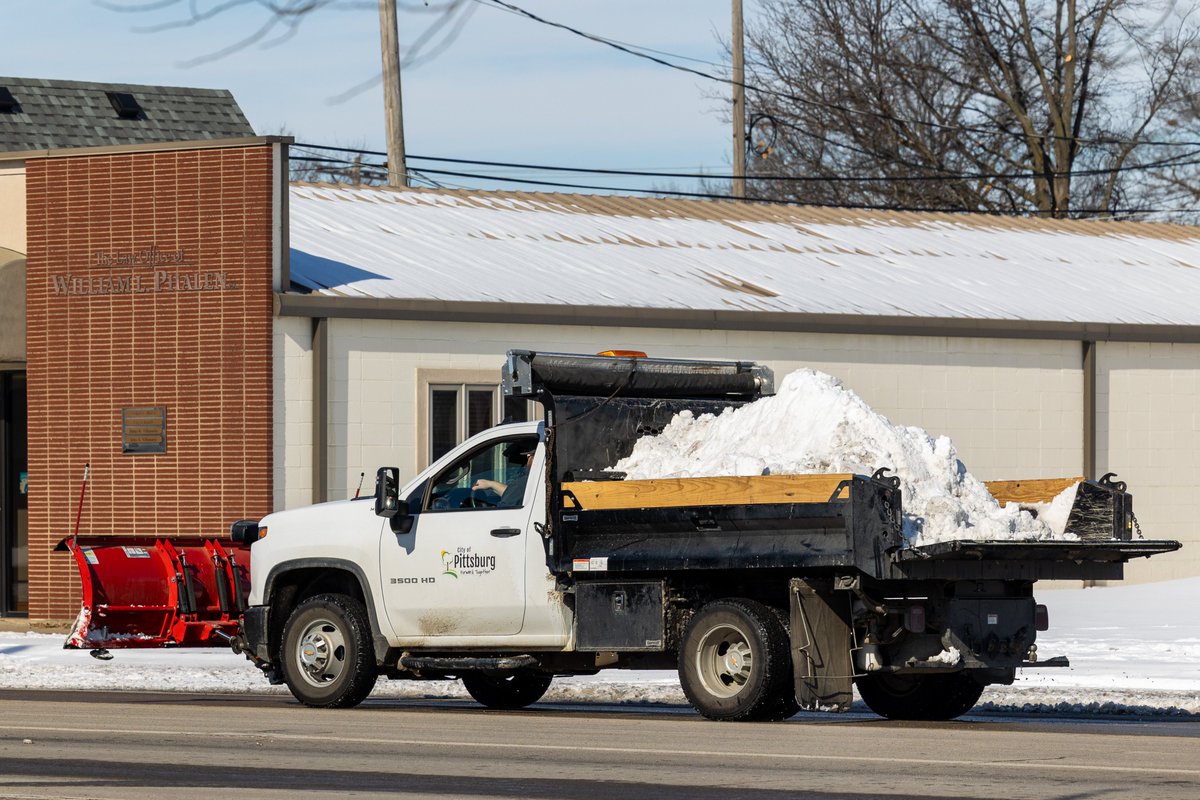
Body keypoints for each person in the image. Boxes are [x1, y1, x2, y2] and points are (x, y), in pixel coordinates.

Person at [472, 440, 535, 507]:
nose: (524, 464)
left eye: (528, 456)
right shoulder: (531, 482)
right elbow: (514, 493)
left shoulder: (524, 482)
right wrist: (491, 484)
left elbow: (503, 510)